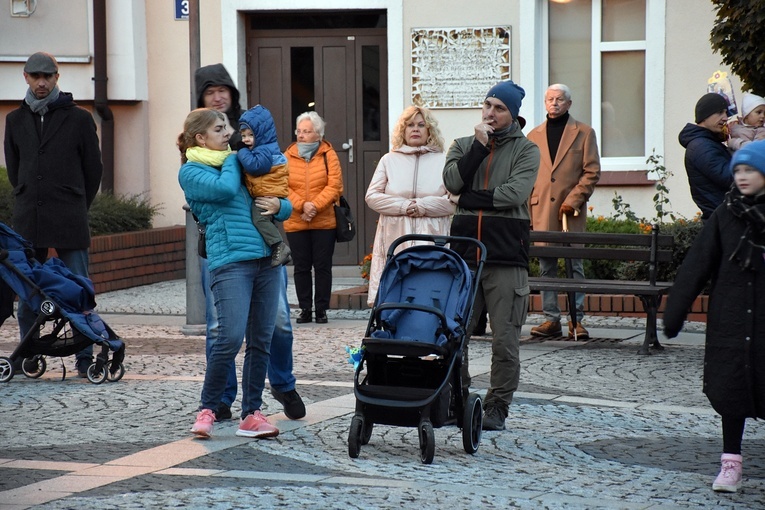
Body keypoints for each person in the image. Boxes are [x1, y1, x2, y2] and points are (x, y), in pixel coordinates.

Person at [193, 64, 305, 422]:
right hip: (225, 250)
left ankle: (282, 384)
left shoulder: (248, 135)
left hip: (264, 248)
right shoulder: (201, 152)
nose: (218, 96)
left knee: (278, 323)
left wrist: (281, 206)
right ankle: (221, 400)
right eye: (210, 92)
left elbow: (276, 190)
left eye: (223, 89)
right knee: (222, 330)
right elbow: (218, 192)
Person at [178, 108, 291, 439]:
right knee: (228, 338)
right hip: (230, 262)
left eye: (227, 127)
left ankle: (252, 414)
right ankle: (208, 409)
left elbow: (277, 196)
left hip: (266, 260)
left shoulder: (239, 162)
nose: (228, 133)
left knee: (262, 339)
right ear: (200, 138)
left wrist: (280, 207)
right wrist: (237, 157)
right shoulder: (193, 172)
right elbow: (227, 190)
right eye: (219, 129)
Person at [663, 139, 765, 494]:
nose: (742, 177)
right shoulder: (725, 214)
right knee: (732, 392)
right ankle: (730, 463)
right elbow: (697, 265)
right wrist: (675, 313)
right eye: (737, 170)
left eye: (750, 169)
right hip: (732, 321)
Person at [442, 80, 540, 431]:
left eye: (499, 108)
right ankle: (458, 397)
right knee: (455, 334)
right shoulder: (463, 145)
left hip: (505, 257)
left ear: (512, 114)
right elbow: (452, 182)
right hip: (465, 257)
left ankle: (498, 407)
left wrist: (467, 199)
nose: (491, 113)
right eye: (487, 105)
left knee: (505, 339)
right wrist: (479, 150)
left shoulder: (527, 151)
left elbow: (514, 194)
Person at [3, 52, 103, 377]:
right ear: (26, 77)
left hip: (70, 217)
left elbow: (93, 171)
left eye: (48, 76)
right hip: (29, 218)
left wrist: (75, 204)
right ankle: (26, 354)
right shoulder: (15, 120)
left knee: (79, 288)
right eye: (36, 76)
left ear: (57, 77)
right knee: (28, 289)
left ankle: (85, 356)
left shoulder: (80, 118)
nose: (42, 82)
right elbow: (16, 171)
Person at [526, 84, 601, 340]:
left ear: (569, 103)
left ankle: (576, 320)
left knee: (573, 266)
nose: (554, 103)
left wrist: (575, 199)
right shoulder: (533, 136)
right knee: (547, 266)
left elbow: (591, 172)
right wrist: (526, 213)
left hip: (571, 212)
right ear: (545, 103)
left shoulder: (584, 133)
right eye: (550, 99)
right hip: (542, 209)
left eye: (559, 99)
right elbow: (526, 177)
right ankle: (551, 320)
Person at [364, 105, 454, 306]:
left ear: (429, 130)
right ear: (402, 130)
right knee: (396, 293)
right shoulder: (389, 160)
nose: (415, 129)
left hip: (432, 238)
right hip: (396, 237)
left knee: (429, 293)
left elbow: (453, 202)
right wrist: (404, 206)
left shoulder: (443, 161)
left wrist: (422, 206)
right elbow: (372, 196)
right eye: (410, 125)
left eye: (421, 125)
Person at [283, 111, 344, 324]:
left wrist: (314, 207)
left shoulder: (329, 154)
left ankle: (321, 309)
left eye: (306, 131)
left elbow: (335, 186)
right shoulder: (287, 155)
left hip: (324, 220)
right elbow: (283, 185)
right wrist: (302, 206)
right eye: (299, 131)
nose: (301, 135)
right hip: (296, 220)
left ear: (318, 134)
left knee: (322, 266)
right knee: (301, 267)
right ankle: (305, 309)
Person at [237, 104, 291, 267]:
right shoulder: (264, 148)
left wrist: (241, 151)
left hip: (268, 192)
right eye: (243, 135)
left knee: (259, 219)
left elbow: (255, 166)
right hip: (268, 191)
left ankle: (278, 246)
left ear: (261, 134)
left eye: (250, 135)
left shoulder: (264, 150)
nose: (245, 139)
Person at [678, 92, 734, 220]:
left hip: (724, 218)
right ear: (704, 116)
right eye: (720, 112)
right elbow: (730, 178)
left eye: (726, 113)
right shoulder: (702, 146)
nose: (725, 118)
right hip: (724, 221)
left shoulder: (708, 142)